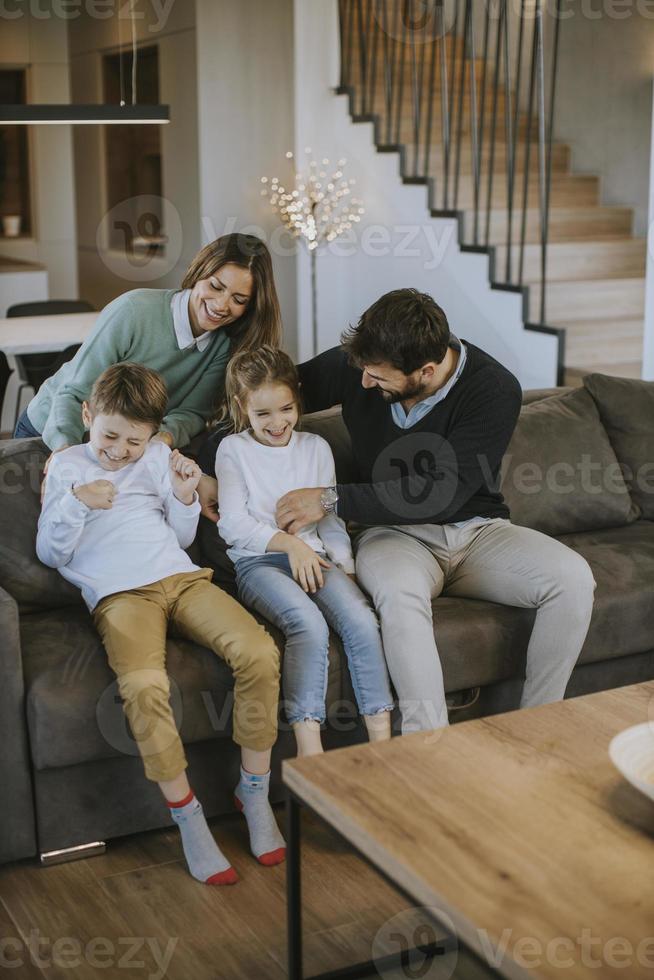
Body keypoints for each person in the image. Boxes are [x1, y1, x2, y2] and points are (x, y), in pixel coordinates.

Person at [273, 288, 596, 734]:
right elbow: (266, 392)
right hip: (392, 535)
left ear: (426, 370)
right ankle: (431, 748)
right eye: (363, 370)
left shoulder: (493, 388)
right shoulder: (362, 364)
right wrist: (203, 460)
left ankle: (538, 729)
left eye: (378, 376)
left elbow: (441, 493)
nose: (364, 383)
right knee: (399, 599)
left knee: (573, 579)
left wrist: (330, 498)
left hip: (478, 532)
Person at [36, 362, 285, 885]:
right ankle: (189, 819)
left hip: (181, 578)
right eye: (110, 435)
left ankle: (254, 794)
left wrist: (184, 494)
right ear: (87, 415)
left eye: (134, 439)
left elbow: (181, 537)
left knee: (259, 652)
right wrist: (77, 505)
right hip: (120, 596)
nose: (119, 450)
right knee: (145, 686)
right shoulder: (67, 467)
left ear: (152, 434)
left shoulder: (152, 459)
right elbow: (51, 553)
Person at [214, 346, 394, 756]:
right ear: (242, 408)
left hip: (317, 558)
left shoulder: (315, 447)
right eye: (262, 415)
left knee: (362, 623)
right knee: (308, 625)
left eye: (286, 409)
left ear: (296, 398)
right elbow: (233, 525)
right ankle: (311, 755)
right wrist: (290, 545)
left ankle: (384, 750)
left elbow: (330, 519)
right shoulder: (234, 451)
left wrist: (345, 569)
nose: (277, 424)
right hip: (259, 563)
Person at [14, 233, 281, 508]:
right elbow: (74, 391)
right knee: (40, 535)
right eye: (215, 286)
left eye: (238, 299)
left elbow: (192, 413)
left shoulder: (223, 346)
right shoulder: (134, 311)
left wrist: (159, 440)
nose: (221, 304)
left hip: (118, 447)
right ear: (199, 272)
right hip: (52, 430)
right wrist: (66, 458)